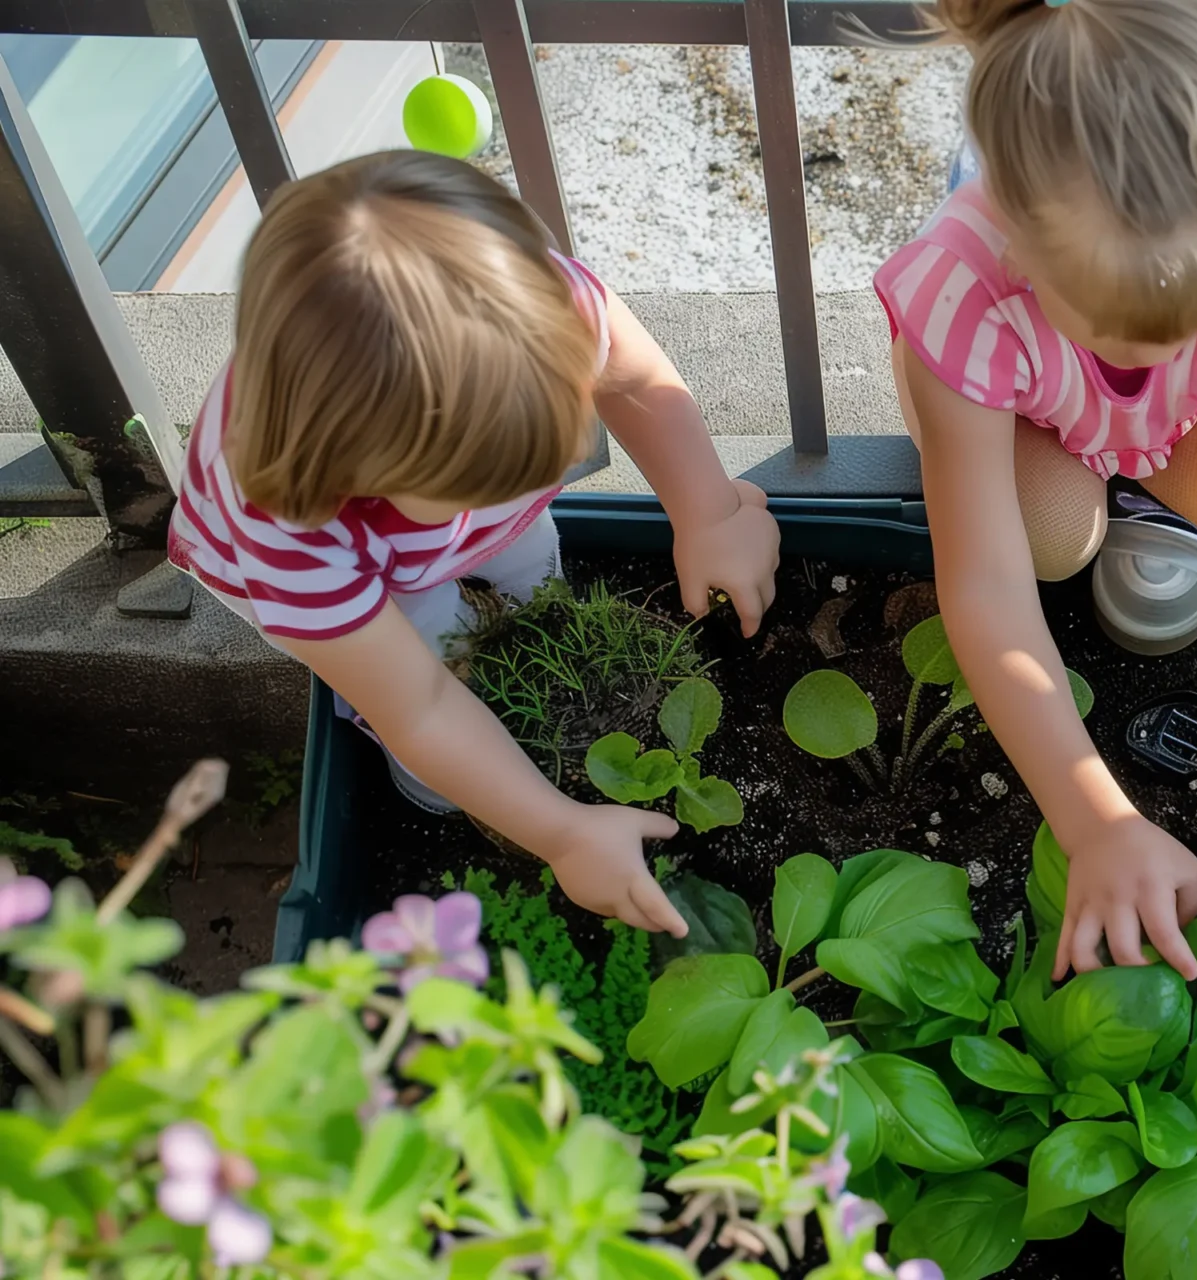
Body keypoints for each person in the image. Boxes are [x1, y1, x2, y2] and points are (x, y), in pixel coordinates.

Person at [876, 0, 1197, 1030]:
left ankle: (1144, 485)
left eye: (1184, 326)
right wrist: (1096, 819)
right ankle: (1115, 486)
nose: (1159, 349)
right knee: (1054, 537)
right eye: (1125, 330)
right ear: (1021, 244)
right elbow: (980, 585)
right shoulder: (965, 289)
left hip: (1149, 411)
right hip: (1020, 399)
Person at [168, 150, 780, 936]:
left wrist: (709, 514)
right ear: (355, 466)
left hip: (421, 528)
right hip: (370, 581)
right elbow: (418, 705)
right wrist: (560, 832)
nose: (533, 479)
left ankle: (523, 622)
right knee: (428, 672)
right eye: (483, 481)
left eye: (543, 456)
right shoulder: (288, 530)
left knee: (529, 574)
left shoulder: (535, 306)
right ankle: (447, 794)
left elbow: (634, 381)